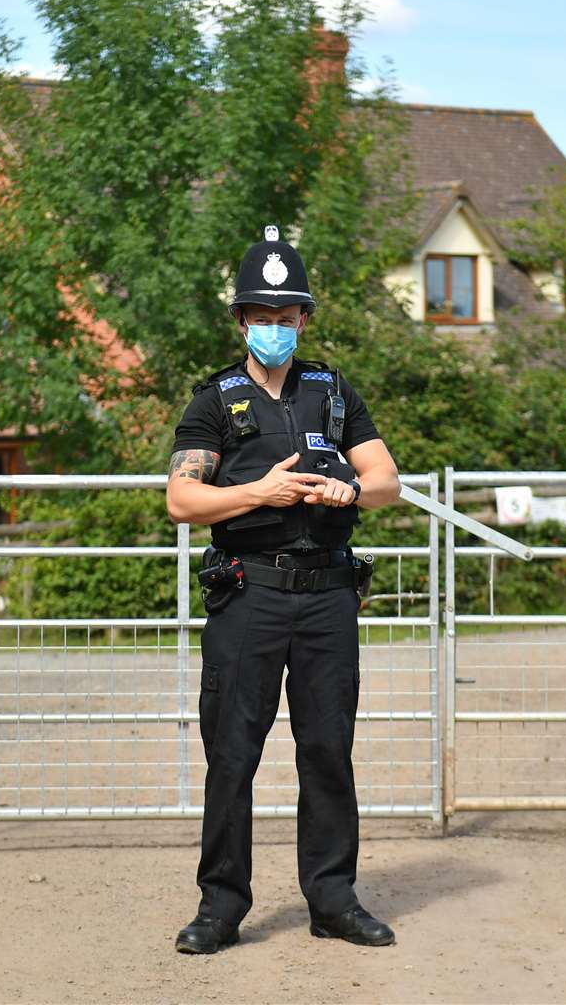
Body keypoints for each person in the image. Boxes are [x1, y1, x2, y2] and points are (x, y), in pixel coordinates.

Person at [165, 224, 401, 954]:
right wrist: (261, 492)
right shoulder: (216, 403)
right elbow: (181, 500)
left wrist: (350, 492)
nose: (274, 328)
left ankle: (333, 899)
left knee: (328, 748)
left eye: (286, 315)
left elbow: (388, 481)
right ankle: (220, 908)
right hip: (251, 596)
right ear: (241, 320)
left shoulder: (335, 393)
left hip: (329, 596)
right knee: (233, 753)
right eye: (261, 317)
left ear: (305, 317)